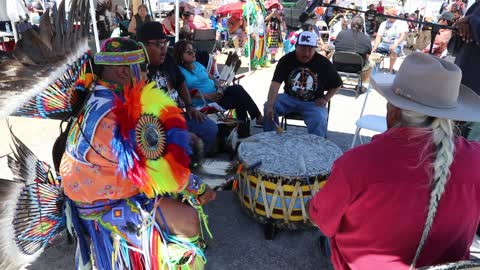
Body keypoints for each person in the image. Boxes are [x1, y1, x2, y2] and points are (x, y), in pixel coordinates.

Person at [308, 52, 480, 269]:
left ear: (393, 111)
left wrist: (311, 204)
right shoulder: (476, 159)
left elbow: (320, 220)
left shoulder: (358, 163)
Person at [60, 37, 216, 269]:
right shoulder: (117, 115)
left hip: (93, 192)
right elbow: (162, 174)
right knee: (188, 220)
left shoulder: (97, 96)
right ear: (125, 73)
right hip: (105, 205)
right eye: (143, 70)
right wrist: (200, 188)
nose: (146, 76)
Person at [138, 22, 219, 154]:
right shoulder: (138, 70)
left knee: (210, 129)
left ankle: (191, 163)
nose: (164, 49)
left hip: (178, 114)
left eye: (165, 43)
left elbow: (180, 82)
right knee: (184, 142)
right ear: (143, 46)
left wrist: (190, 106)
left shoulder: (167, 60)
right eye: (159, 44)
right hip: (156, 125)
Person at [174, 40, 264, 137]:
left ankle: (253, 120)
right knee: (239, 100)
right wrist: (209, 96)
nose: (193, 53)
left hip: (217, 95)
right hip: (204, 103)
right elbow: (185, 93)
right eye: (189, 52)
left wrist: (220, 89)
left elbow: (213, 79)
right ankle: (246, 129)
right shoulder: (179, 72)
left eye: (193, 50)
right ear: (180, 55)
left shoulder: (198, 65)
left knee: (237, 88)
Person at [264, 31, 342, 137]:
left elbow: (337, 84)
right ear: (296, 47)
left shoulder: (324, 63)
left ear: (315, 49)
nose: (306, 53)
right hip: (288, 98)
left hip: (313, 103)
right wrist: (270, 105)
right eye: (303, 49)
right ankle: (270, 139)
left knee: (319, 120)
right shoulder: (286, 60)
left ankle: (316, 149)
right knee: (269, 108)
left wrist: (325, 99)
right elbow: (275, 84)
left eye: (310, 49)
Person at [334, 16, 373, 83]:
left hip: (338, 65)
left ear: (351, 24)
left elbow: (336, 47)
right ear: (362, 26)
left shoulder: (341, 33)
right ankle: (362, 83)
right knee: (372, 62)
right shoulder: (366, 38)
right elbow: (367, 55)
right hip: (357, 68)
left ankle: (338, 81)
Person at [372, 7, 408, 73]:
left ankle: (390, 69)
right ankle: (375, 69)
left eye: (389, 15)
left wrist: (396, 44)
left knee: (394, 49)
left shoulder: (401, 23)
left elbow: (403, 36)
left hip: (396, 44)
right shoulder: (383, 23)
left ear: (395, 15)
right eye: (386, 15)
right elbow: (378, 37)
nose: (387, 17)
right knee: (371, 48)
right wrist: (375, 47)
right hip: (383, 44)